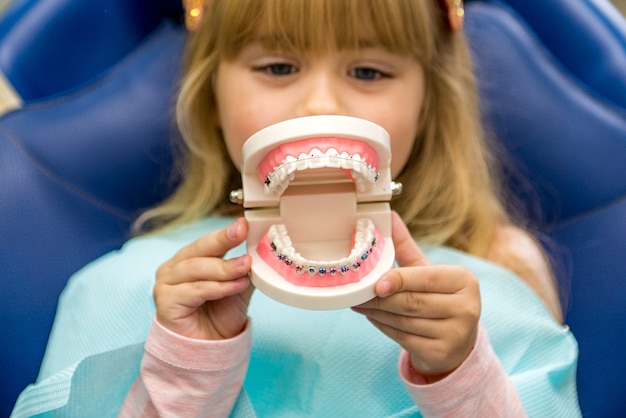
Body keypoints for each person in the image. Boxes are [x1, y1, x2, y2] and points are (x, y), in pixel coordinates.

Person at [12, 0, 580, 416]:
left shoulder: (495, 287)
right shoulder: (124, 286)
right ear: (211, 92)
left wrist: (462, 379)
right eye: (278, 67)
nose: (320, 104)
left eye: (368, 72)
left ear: (430, 101)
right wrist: (184, 371)